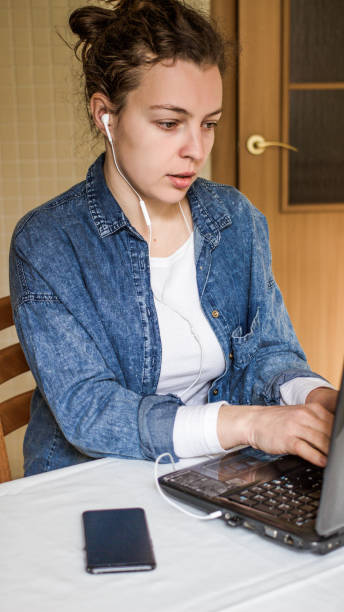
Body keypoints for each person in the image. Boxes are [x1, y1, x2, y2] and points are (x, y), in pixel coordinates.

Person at [10, 0, 337, 477]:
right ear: (105, 115)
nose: (196, 150)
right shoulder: (48, 242)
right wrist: (247, 423)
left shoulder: (234, 218)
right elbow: (91, 412)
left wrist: (312, 396)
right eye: (169, 123)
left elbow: (268, 351)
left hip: (216, 474)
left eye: (209, 124)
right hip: (96, 485)